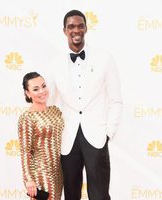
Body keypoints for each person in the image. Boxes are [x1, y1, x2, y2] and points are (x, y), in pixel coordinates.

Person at [45, 10, 123, 200]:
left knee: (100, 195)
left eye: (80, 26)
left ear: (86, 28)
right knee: (71, 194)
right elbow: (49, 105)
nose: (76, 30)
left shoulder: (105, 58)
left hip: (96, 135)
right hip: (67, 138)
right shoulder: (54, 64)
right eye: (71, 26)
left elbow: (116, 100)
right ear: (64, 31)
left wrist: (108, 133)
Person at [18, 72, 64, 200]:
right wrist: (28, 179)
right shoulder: (27, 118)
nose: (42, 91)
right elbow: (25, 151)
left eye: (43, 86)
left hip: (58, 172)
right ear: (28, 93)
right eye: (35, 89)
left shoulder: (56, 111)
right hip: (40, 174)